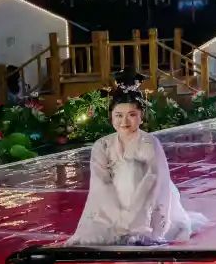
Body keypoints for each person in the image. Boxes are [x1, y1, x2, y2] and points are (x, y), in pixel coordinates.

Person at [68, 76, 206, 245]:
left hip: (147, 202)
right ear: (111, 117)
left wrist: (132, 219)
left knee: (131, 169)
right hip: (111, 204)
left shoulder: (149, 143)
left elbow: (153, 178)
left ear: (141, 117)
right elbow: (101, 183)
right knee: (95, 237)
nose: (124, 121)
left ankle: (138, 231)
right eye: (119, 115)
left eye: (132, 115)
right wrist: (118, 217)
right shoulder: (102, 145)